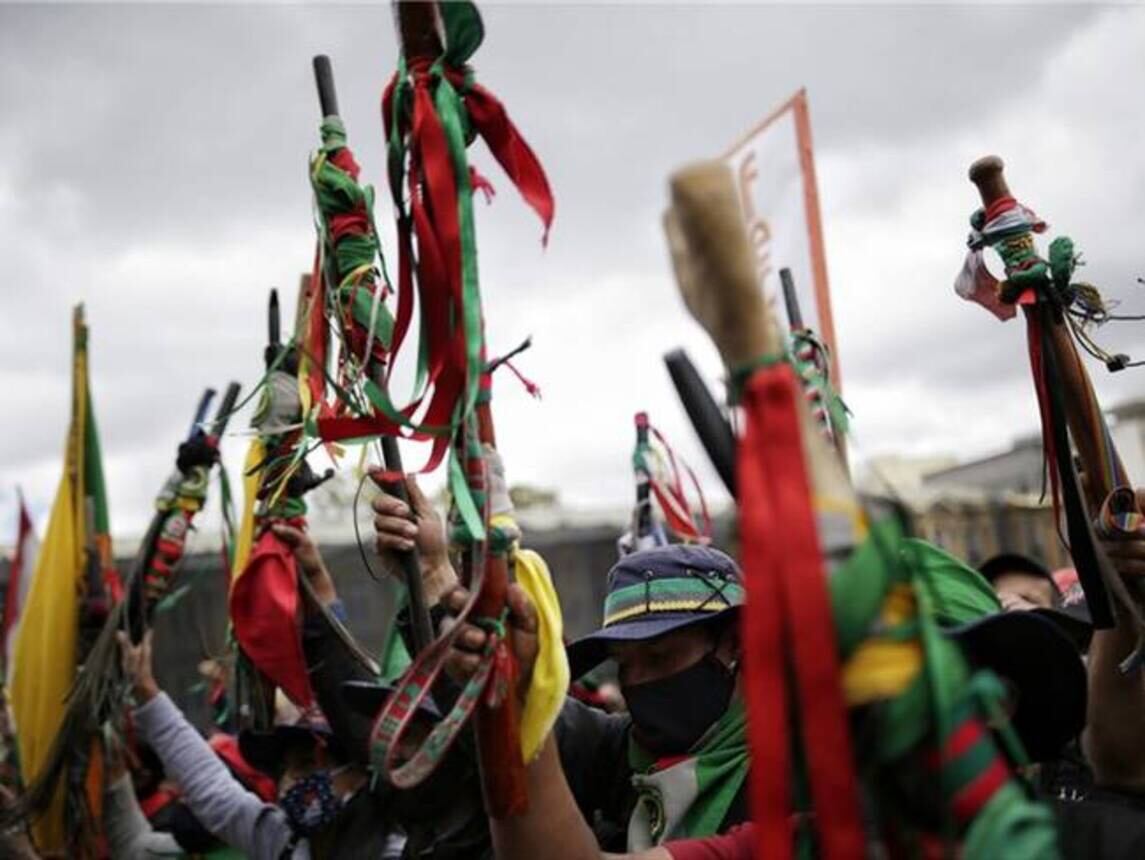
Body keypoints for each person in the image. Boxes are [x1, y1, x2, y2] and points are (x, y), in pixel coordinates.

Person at [371, 477, 748, 851]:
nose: (638, 681)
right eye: (623, 664)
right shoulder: (625, 755)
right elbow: (523, 716)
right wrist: (433, 574)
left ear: (734, 644)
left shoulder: (790, 773)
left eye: (659, 656)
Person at [117, 623, 405, 860]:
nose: (295, 782)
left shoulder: (400, 851)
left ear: (359, 773)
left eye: (308, 765)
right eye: (288, 769)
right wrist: (146, 693)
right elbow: (211, 787)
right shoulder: (281, 841)